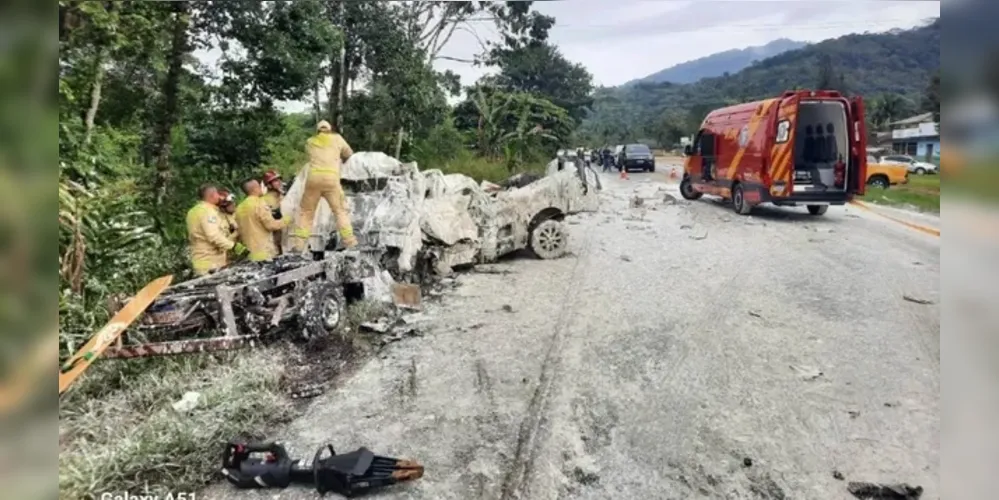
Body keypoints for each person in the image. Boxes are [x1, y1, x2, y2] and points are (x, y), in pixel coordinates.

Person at [289, 120, 357, 252]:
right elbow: (349, 154)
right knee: (339, 211)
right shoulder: (337, 139)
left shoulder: (310, 141)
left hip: (313, 179)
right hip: (331, 179)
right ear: (330, 129)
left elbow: (311, 155)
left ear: (318, 131)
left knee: (306, 212)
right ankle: (351, 242)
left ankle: (298, 245)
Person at [186, 183, 245, 276]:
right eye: (218, 194)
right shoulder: (208, 211)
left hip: (199, 260)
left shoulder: (193, 211)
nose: (219, 197)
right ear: (212, 195)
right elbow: (213, 235)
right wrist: (233, 246)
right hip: (211, 261)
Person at [236, 178, 291, 262]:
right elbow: (271, 225)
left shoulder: (239, 208)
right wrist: (287, 220)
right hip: (264, 252)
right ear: (256, 188)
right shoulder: (259, 203)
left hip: (250, 254)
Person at [261, 169, 285, 254]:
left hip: (285, 235)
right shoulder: (265, 200)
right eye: (275, 181)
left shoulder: (281, 195)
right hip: (274, 237)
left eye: (279, 180)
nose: (279, 182)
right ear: (269, 185)